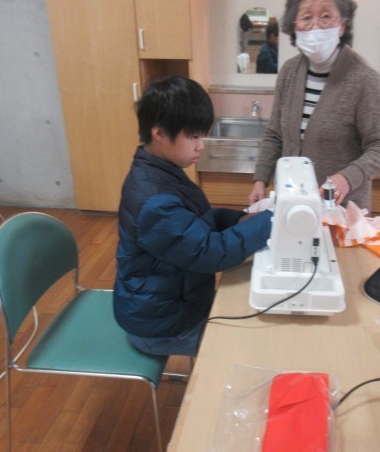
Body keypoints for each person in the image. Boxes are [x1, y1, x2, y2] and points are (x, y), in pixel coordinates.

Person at [114, 75, 273, 357]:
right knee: (249, 343)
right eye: (193, 136)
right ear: (160, 133)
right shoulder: (154, 202)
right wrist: (272, 219)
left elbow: (194, 222)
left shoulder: (158, 171)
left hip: (170, 304)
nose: (201, 145)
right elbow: (210, 252)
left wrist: (239, 219)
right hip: (162, 326)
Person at [249, 0, 380, 212]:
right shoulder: (289, 71)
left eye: (326, 16)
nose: (315, 26)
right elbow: (275, 134)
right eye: (306, 17)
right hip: (291, 201)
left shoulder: (362, 78)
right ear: (294, 25)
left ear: (343, 25)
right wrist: (260, 179)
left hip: (341, 208)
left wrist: (347, 178)